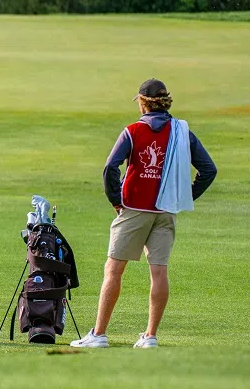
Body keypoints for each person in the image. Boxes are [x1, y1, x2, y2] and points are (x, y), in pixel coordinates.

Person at [72, 79, 217, 349]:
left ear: (142, 103)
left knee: (114, 269)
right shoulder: (182, 132)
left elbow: (110, 168)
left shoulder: (133, 131)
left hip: (134, 210)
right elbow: (208, 170)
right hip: (165, 212)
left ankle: (99, 334)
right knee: (159, 271)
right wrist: (181, 198)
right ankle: (150, 337)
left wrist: (117, 201)